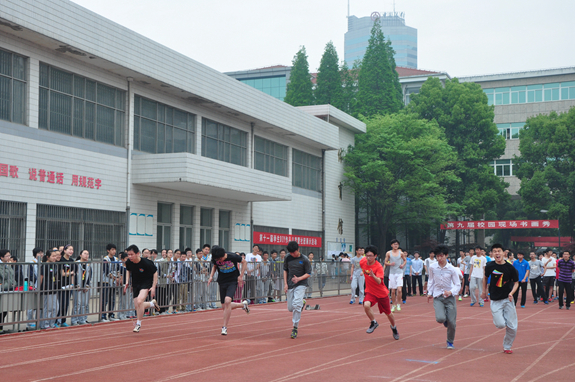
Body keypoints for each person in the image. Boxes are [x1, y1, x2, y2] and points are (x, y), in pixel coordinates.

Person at [481, 243, 519, 354]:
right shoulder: (490, 266)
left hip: (508, 299)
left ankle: (507, 346)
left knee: (513, 327)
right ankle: (501, 319)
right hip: (495, 299)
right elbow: (485, 277)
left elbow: (516, 283)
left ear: (503, 253)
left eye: (499, 251)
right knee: (500, 325)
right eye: (494, 251)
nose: (497, 253)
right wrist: (484, 291)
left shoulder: (510, 268)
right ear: (492, 254)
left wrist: (511, 293)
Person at [208, 246, 250, 335]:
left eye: (221, 258)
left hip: (232, 281)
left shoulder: (232, 256)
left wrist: (241, 276)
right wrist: (211, 276)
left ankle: (224, 327)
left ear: (224, 255)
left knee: (228, 301)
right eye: (218, 259)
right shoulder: (215, 258)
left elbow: (244, 261)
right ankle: (243, 304)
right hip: (222, 281)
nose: (220, 260)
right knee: (225, 306)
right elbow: (215, 266)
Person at [360, 245, 399, 340]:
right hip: (370, 291)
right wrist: (363, 272)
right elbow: (363, 269)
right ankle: (373, 322)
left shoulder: (378, 267)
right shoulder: (363, 262)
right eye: (367, 255)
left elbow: (379, 282)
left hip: (382, 293)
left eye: (371, 256)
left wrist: (372, 275)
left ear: (375, 256)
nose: (368, 258)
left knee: (388, 313)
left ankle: (394, 327)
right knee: (366, 305)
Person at [427, 245, 461, 349]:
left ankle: (450, 341)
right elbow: (431, 280)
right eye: (437, 256)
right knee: (440, 318)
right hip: (438, 296)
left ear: (446, 256)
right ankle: (445, 319)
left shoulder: (452, 269)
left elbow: (457, 284)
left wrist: (450, 292)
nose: (439, 259)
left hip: (449, 297)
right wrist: (429, 292)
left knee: (452, 323)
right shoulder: (432, 267)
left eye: (441, 256)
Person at [123, 244, 160, 333]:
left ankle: (138, 324)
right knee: (137, 306)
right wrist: (127, 282)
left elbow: (155, 273)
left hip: (146, 283)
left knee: (140, 301)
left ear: (137, 254)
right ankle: (152, 304)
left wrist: (153, 287)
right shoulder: (128, 262)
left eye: (132, 254)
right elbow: (128, 270)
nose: (130, 256)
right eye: (129, 254)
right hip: (135, 284)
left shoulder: (146, 263)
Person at [284, 240, 311, 339]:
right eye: (290, 253)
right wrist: (285, 284)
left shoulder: (304, 259)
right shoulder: (287, 258)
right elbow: (285, 270)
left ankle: (295, 328)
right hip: (290, 284)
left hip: (301, 284)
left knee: (296, 305)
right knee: (291, 308)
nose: (292, 254)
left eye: (294, 252)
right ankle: (302, 302)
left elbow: (309, 273)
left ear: (298, 249)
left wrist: (299, 279)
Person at [384, 240, 406, 312]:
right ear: (391, 245)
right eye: (394, 244)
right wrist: (390, 264)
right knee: (393, 291)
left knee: (399, 290)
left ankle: (398, 304)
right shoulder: (389, 253)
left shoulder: (401, 253)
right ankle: (393, 304)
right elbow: (385, 262)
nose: (395, 245)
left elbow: (405, 260)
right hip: (392, 273)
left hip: (399, 272)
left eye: (397, 244)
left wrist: (402, 265)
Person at [72, 249, 92, 325]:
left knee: (85, 304)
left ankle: (83, 319)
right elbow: (73, 275)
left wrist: (87, 285)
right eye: (85, 253)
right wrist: (76, 284)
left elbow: (90, 275)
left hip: (85, 287)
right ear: (80, 255)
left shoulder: (88, 265)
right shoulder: (76, 264)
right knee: (77, 303)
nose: (86, 255)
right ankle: (74, 320)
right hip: (78, 287)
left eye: (88, 254)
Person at [57, 244, 76, 327]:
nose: (71, 251)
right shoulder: (61, 260)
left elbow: (73, 274)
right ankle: (56, 320)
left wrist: (72, 284)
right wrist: (70, 273)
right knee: (60, 303)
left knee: (66, 303)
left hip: (69, 285)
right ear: (64, 250)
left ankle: (63, 320)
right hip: (61, 285)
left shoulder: (72, 261)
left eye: (72, 249)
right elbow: (62, 273)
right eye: (69, 249)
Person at [101, 244, 119, 322]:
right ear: (108, 250)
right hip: (106, 281)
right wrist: (114, 277)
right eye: (112, 249)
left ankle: (111, 314)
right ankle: (103, 316)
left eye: (115, 249)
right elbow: (106, 271)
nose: (114, 251)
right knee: (105, 299)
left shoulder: (116, 259)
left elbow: (118, 269)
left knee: (113, 299)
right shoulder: (105, 259)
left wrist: (117, 277)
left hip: (114, 282)